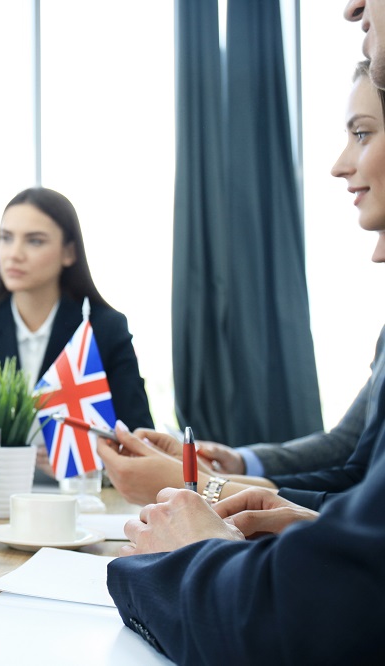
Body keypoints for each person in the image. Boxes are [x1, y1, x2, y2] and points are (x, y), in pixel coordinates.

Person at [105, 53, 385, 662]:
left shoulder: (107, 326)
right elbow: (358, 466)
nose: (340, 165)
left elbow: (280, 626)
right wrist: (244, 479)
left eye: (362, 134)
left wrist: (202, 513)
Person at [0, 187, 154, 431]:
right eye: (6, 238)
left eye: (34, 241)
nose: (14, 254)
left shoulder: (104, 329)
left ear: (69, 253)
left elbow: (140, 435)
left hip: (83, 469)